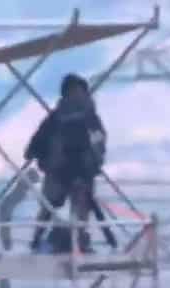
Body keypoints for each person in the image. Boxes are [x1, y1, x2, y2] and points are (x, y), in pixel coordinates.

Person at [24, 72, 109, 253]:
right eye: (74, 91)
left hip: (69, 170)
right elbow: (99, 141)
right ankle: (71, 241)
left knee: (63, 208)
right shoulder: (79, 118)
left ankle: (63, 241)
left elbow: (36, 142)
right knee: (60, 208)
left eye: (78, 91)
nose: (77, 96)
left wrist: (36, 154)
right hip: (67, 170)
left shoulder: (65, 117)